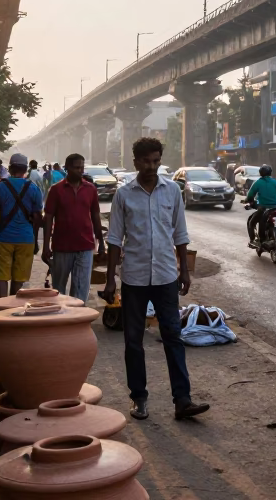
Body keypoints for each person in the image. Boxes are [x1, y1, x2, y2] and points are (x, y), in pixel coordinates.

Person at [103, 137, 209, 421]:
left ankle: (182, 400)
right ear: (135, 161)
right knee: (133, 341)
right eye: (147, 161)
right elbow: (114, 239)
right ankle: (139, 397)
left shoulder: (172, 191)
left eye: (156, 161)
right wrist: (111, 279)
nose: (152, 166)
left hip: (165, 276)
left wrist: (184, 271)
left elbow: (180, 234)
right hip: (134, 278)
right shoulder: (123, 195)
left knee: (173, 336)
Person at [43, 153, 105, 302]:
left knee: (81, 289)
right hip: (62, 247)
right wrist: (46, 246)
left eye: (82, 167)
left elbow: (96, 216)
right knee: (59, 290)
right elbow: (48, 218)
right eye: (77, 167)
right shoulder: (56, 190)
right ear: (67, 168)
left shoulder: (90, 189)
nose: (80, 171)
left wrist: (101, 242)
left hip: (85, 246)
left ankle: (77, 321)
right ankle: (61, 321)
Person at [0, 153, 44, 298]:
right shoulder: (34, 188)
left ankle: (0, 308)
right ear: (25, 169)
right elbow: (37, 217)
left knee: (2, 277)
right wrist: (35, 239)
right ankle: (12, 309)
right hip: (26, 238)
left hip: (4, 237)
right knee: (18, 279)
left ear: (10, 168)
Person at [245, 164, 276, 248]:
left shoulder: (258, 182)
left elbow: (250, 196)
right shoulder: (275, 182)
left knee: (251, 222)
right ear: (270, 173)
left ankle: (254, 240)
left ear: (260, 173)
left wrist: (249, 201)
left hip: (263, 208)